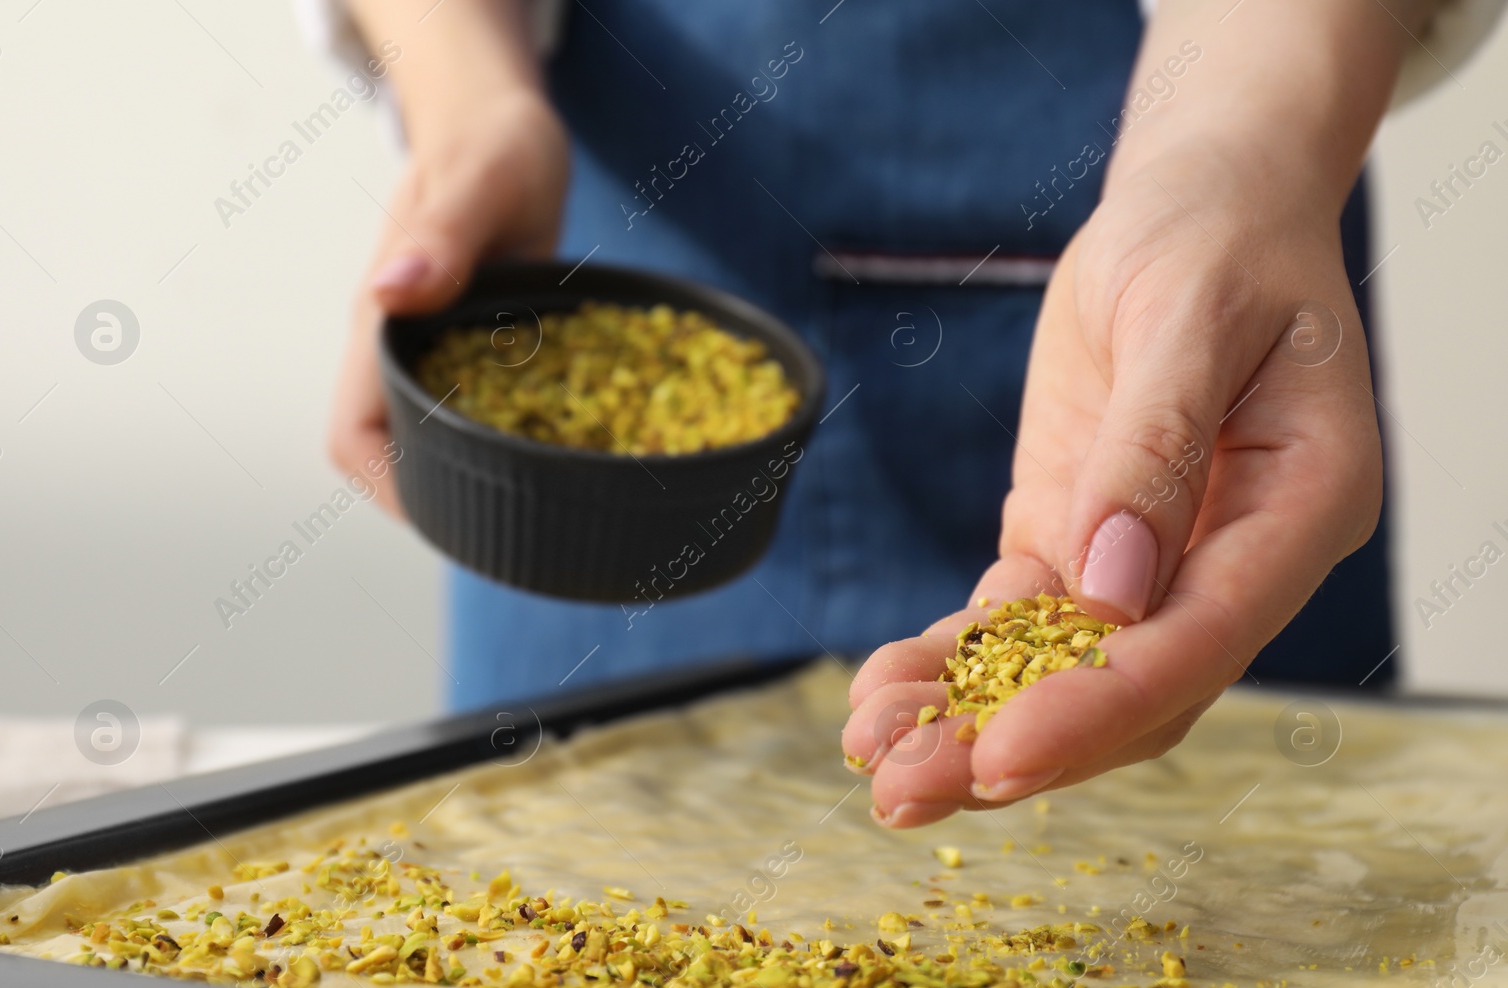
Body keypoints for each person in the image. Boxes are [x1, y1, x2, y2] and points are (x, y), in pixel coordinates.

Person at [319, 0, 1492, 827]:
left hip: (1196, 292)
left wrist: (1236, 156)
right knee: (556, 911)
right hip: (626, 281)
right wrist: (468, 103)